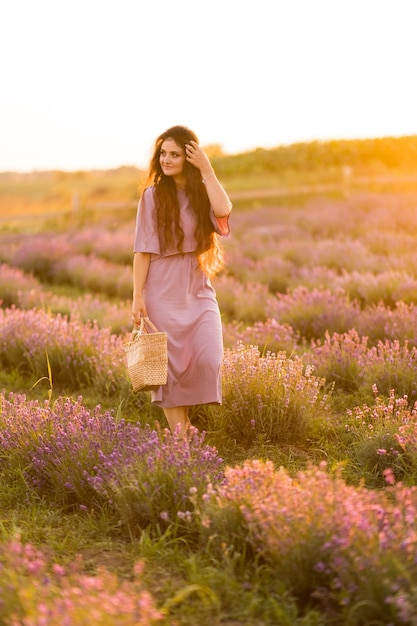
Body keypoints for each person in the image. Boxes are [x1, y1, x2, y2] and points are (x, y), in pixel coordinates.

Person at [132, 126, 232, 436]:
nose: (167, 159)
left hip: (197, 287)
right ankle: (180, 437)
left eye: (175, 154)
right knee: (169, 368)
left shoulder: (202, 192)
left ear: (190, 157)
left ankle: (183, 431)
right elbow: (142, 250)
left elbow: (224, 209)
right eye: (163, 153)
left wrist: (207, 168)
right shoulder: (151, 196)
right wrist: (138, 297)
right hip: (161, 289)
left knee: (208, 357)